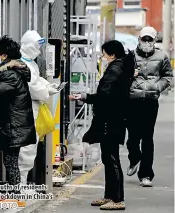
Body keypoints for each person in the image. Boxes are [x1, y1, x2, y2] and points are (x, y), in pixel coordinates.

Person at [69, 40, 135, 210]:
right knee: (107, 157)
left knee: (111, 158)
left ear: (112, 54)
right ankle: (109, 196)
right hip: (113, 118)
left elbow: (105, 95)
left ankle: (118, 199)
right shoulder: (120, 67)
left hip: (111, 119)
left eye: (104, 53)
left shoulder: (115, 69)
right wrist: (84, 97)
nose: (103, 56)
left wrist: (84, 97)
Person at [0, 35, 36, 198]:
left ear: (4, 56)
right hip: (13, 123)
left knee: (11, 160)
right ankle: (15, 190)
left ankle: (15, 192)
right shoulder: (10, 71)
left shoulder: (9, 74)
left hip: (13, 125)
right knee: (10, 159)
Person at [126, 26, 173, 187]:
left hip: (150, 101)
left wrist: (157, 87)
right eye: (144, 39)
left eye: (149, 39)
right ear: (139, 39)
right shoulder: (130, 56)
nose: (146, 42)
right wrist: (129, 78)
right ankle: (134, 158)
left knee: (147, 138)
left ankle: (146, 174)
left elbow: (168, 76)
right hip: (132, 100)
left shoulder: (162, 57)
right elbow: (121, 75)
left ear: (154, 41)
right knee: (132, 138)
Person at [18, 30, 59, 188]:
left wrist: (48, 85)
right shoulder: (22, 64)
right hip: (24, 111)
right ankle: (20, 185)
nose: (38, 50)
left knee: (30, 148)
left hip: (31, 110)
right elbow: (32, 86)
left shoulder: (30, 63)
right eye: (35, 46)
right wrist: (47, 90)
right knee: (25, 150)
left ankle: (22, 184)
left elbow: (37, 79)